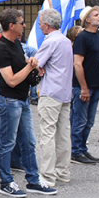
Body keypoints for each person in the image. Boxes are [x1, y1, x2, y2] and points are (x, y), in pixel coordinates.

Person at [0, 8, 56, 197]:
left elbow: (23, 70)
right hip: (8, 99)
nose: (24, 25)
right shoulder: (1, 48)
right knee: (7, 142)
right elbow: (10, 80)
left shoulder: (17, 45)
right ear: (12, 25)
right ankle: (6, 181)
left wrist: (32, 66)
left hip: (22, 99)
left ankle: (33, 180)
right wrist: (30, 67)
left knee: (29, 141)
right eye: (21, 22)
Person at [33, 9, 74, 186]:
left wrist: (37, 66)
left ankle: (47, 175)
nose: (40, 25)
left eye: (41, 22)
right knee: (63, 134)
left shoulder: (50, 42)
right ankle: (62, 171)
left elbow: (36, 62)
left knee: (48, 134)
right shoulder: (65, 41)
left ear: (47, 25)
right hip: (64, 91)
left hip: (51, 91)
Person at [71, 6, 99, 165]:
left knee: (89, 120)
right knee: (80, 119)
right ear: (88, 20)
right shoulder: (82, 38)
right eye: (96, 15)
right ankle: (75, 151)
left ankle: (82, 148)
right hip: (83, 86)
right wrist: (84, 88)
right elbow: (77, 64)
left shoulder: (98, 35)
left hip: (96, 84)